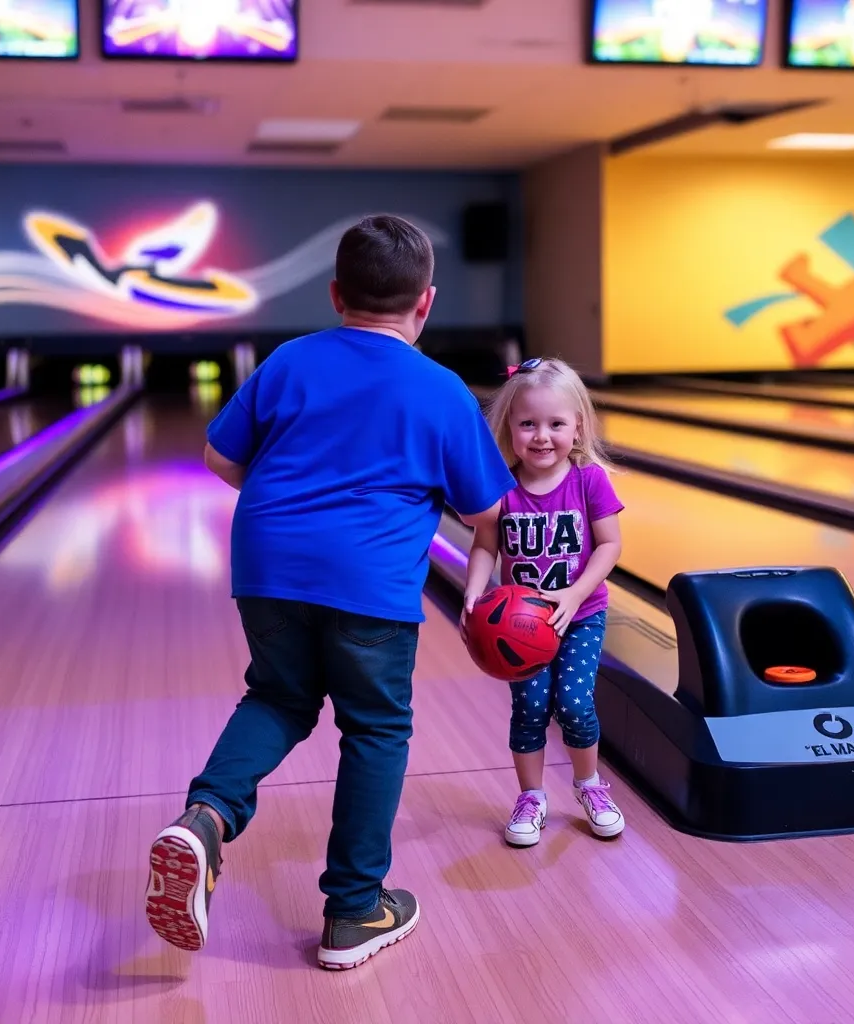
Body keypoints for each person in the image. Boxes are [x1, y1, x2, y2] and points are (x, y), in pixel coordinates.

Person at [144, 215, 515, 970]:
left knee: (279, 697)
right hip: (369, 582)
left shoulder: (289, 360)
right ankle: (353, 912)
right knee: (375, 728)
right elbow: (490, 515)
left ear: (337, 293)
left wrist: (290, 497)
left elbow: (220, 455)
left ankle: (208, 816)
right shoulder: (440, 388)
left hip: (267, 566)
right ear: (427, 302)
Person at [461, 357, 626, 847]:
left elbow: (611, 545)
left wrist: (575, 595)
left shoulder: (589, 480)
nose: (541, 436)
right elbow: (486, 544)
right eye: (527, 423)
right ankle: (531, 797)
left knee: (574, 705)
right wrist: (475, 588)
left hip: (580, 615)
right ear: (509, 426)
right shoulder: (503, 489)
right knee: (531, 707)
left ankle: (590, 785)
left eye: (555, 423)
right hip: (521, 628)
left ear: (578, 427)